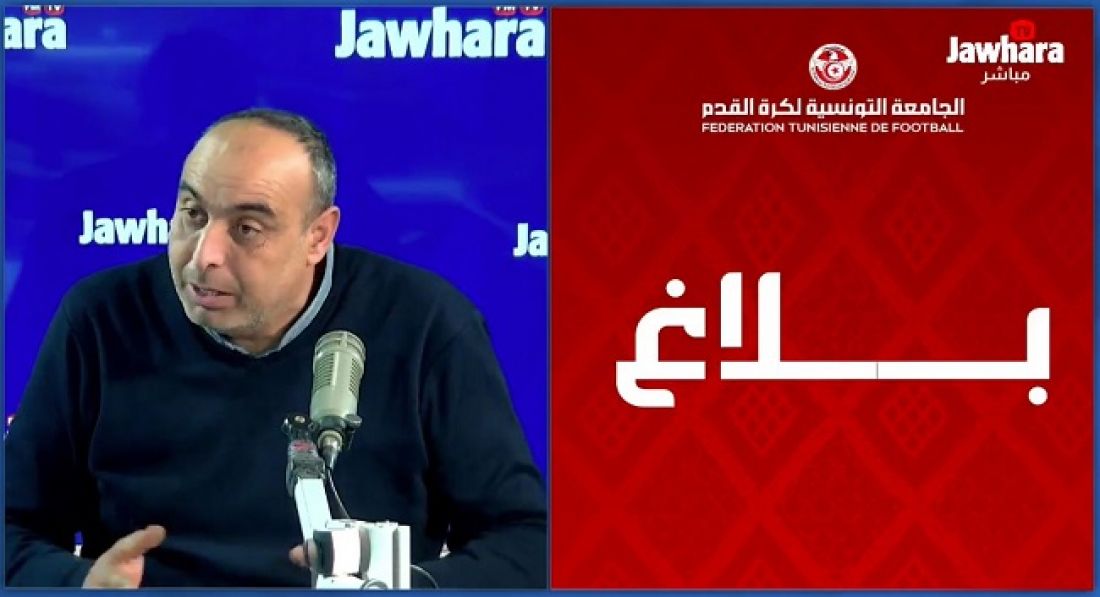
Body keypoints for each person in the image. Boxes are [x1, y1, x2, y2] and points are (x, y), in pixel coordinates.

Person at [4, 108, 548, 588]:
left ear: (318, 236)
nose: (203, 255)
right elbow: (12, 525)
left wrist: (408, 588)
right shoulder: (101, 319)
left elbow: (526, 542)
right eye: (193, 214)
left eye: (247, 228)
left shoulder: (425, 324)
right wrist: (78, 584)